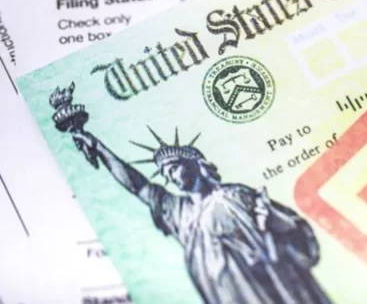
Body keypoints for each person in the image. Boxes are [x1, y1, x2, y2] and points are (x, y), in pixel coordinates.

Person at [71, 127, 332, 304]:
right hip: (224, 295)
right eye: (166, 174)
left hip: (269, 287)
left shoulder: (235, 195)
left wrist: (270, 224)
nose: (170, 177)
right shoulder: (178, 212)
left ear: (195, 165)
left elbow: (287, 226)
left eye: (174, 168)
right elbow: (138, 186)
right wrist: (99, 147)